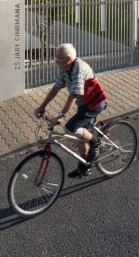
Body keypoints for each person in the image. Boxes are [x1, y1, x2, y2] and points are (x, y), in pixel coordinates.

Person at [34, 43, 107, 178]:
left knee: (70, 128)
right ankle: (85, 166)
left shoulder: (78, 69)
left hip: (93, 105)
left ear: (68, 59)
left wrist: (60, 116)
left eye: (58, 58)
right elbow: (56, 88)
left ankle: (95, 143)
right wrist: (42, 106)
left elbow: (73, 95)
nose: (55, 60)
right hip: (84, 105)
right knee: (80, 137)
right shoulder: (65, 68)